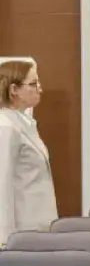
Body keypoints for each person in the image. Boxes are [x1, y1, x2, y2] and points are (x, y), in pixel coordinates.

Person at [0, 58, 57, 246]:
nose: (40, 89)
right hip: (21, 234)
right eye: (33, 84)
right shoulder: (6, 127)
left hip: (40, 227)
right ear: (14, 89)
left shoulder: (25, 124)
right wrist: (5, 241)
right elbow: (3, 186)